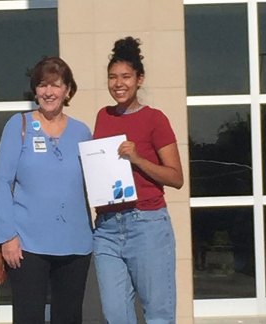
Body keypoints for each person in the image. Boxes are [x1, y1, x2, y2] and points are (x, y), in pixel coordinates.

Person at [0, 56, 93, 324]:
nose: (49, 92)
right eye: (43, 85)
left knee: (69, 317)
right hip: (27, 245)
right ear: (35, 90)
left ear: (67, 90)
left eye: (56, 85)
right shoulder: (18, 126)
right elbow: (1, 183)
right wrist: (6, 236)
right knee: (28, 317)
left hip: (75, 244)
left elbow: (96, 183)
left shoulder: (82, 132)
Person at [92, 36, 184, 324]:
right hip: (106, 227)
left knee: (158, 314)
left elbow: (176, 177)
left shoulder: (155, 119)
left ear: (139, 79)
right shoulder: (103, 116)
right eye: (112, 77)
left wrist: (139, 160)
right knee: (116, 315)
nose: (118, 84)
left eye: (126, 77)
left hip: (147, 224)